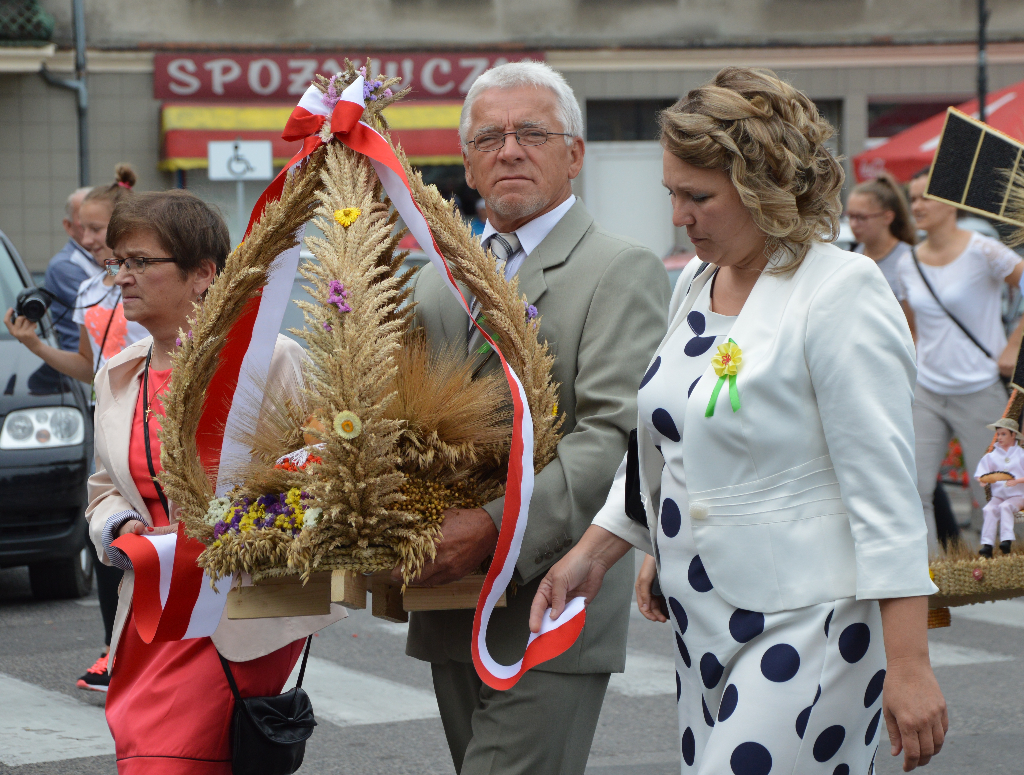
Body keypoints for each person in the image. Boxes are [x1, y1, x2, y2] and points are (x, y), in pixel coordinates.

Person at [532, 67, 947, 774]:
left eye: (698, 196)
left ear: (765, 189)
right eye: (672, 193)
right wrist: (595, 553)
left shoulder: (839, 291)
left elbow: (885, 492)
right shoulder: (696, 284)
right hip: (704, 627)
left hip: (808, 621)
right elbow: (665, 441)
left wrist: (909, 664)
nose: (678, 215)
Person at [400, 60, 671, 775]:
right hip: (449, 598)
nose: (509, 150)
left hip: (554, 593)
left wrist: (494, 524)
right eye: (490, 136)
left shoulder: (621, 269)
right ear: (467, 161)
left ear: (574, 154)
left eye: (532, 133)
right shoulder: (435, 276)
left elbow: (616, 435)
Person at [86, 189, 344, 773]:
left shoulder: (270, 361)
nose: (122, 277)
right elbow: (104, 488)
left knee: (172, 761)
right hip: (152, 612)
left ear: (203, 273)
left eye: (139, 262)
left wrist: (245, 529)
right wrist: (123, 530)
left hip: (242, 611)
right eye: (116, 262)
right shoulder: (118, 375)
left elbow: (322, 474)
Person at [901, 168, 1024, 552]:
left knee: (993, 488)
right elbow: (913, 326)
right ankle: (926, 577)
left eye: (925, 197)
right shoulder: (909, 261)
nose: (917, 206)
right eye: (912, 198)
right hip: (928, 391)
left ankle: (1007, 570)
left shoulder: (982, 249)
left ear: (951, 202)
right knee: (913, 487)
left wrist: (1013, 346)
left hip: (981, 390)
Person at [4, 164, 148, 386]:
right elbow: (89, 368)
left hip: (149, 413)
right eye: (84, 229)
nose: (87, 240)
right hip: (103, 415)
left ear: (124, 225)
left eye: (95, 229)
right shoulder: (88, 289)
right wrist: (35, 345)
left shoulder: (151, 283)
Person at [45, 186, 100, 354]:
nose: (91, 237)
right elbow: (108, 310)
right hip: (84, 365)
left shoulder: (110, 260)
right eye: (84, 223)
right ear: (68, 226)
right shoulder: (64, 266)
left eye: (97, 226)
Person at [973, 418, 1024, 557]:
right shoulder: (992, 456)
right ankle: (987, 545)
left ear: (1013, 435)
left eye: (1003, 434)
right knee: (989, 509)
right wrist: (983, 480)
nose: (1000, 437)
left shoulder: (1020, 455)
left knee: (1005, 507)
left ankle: (1006, 540)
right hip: (999, 496)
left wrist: (1017, 481)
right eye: (998, 434)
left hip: (1018, 496)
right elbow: (981, 473)